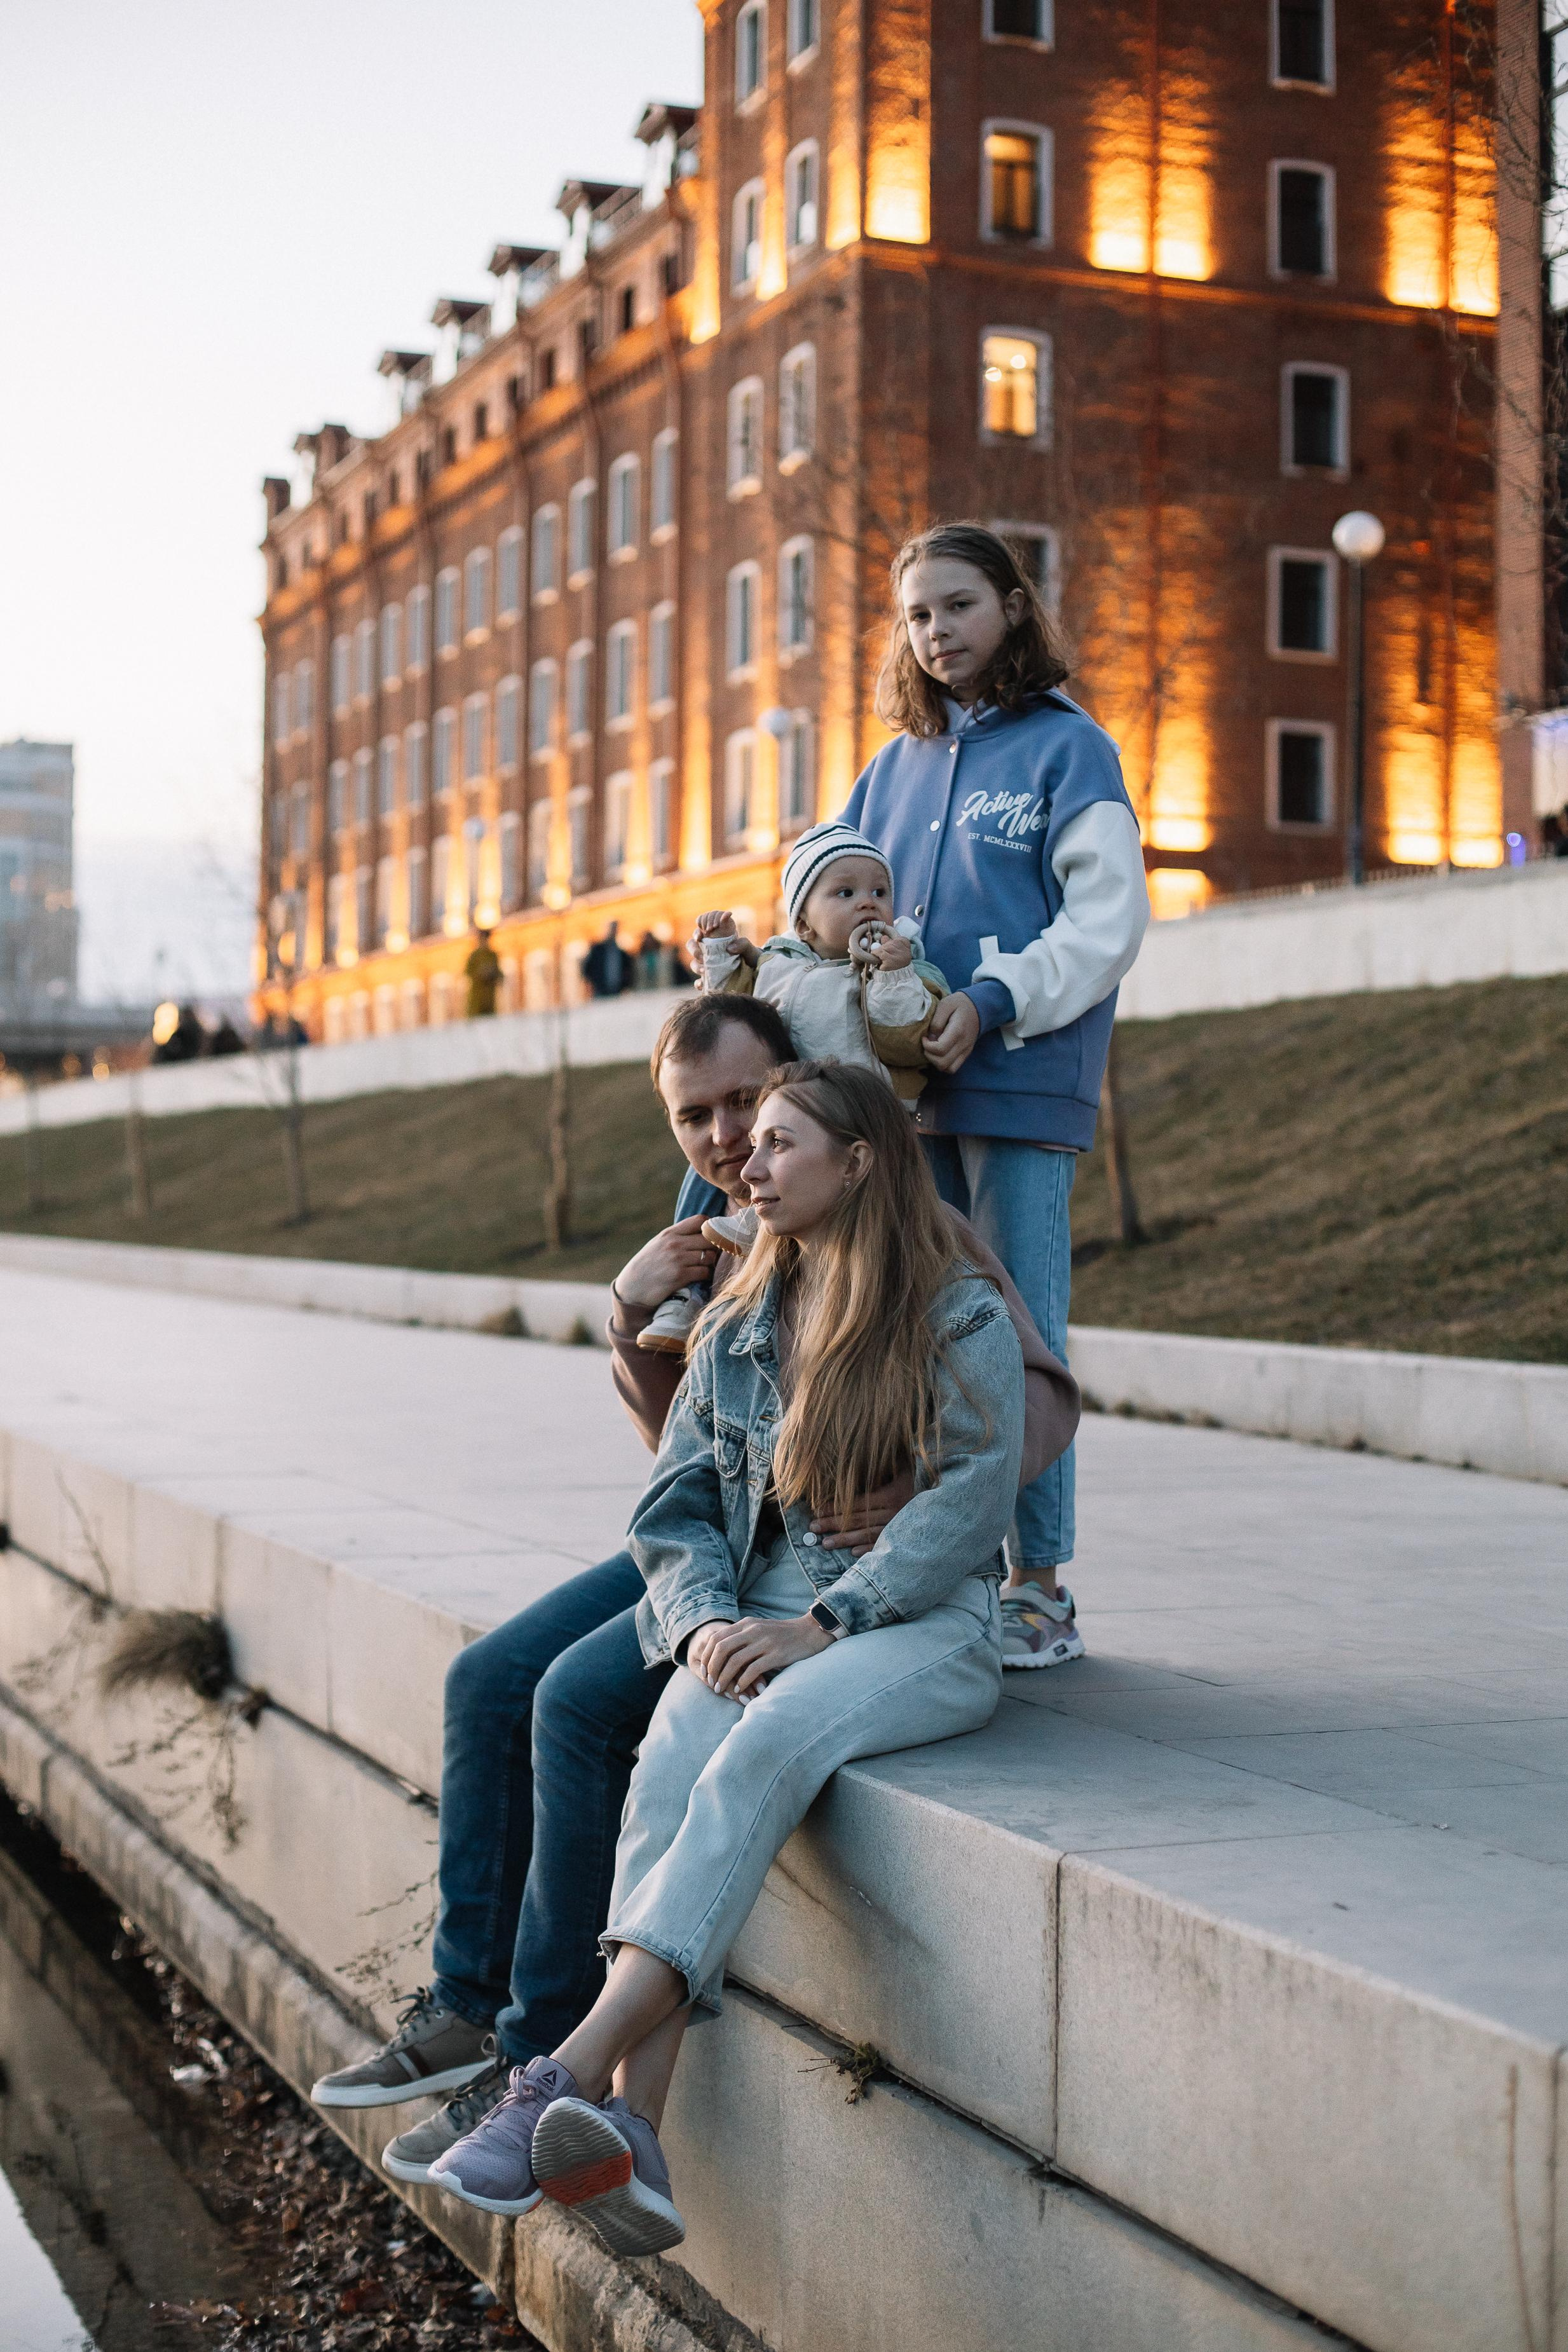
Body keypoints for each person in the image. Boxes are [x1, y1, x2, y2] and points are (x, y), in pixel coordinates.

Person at [307, 995, 1076, 2188]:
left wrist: (893, 1508)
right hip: (743, 1555)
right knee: (527, 1693)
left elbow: (1012, 1435)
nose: (732, 1146)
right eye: (704, 1120)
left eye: (756, 1118)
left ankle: (542, 2068)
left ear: (812, 1103)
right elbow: (682, 1474)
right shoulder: (726, 1276)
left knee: (595, 1707)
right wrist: (628, 1323)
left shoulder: (931, 1266)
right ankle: (567, 2083)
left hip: (868, 1590)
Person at [842, 519, 1150, 1670]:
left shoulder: (1072, 752)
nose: (936, 633)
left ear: (1013, 606)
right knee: (908, 1320)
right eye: (917, 616)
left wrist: (994, 997)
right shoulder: (889, 768)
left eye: (959, 606)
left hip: (1020, 1080)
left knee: (1018, 1326)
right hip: (901, 1097)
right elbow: (841, 909)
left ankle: (1040, 1585)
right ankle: (939, 1567)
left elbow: (1107, 923)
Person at [636, 820, 948, 1357]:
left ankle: (753, 1231)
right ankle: (682, 1296)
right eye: (844, 892)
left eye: (880, 891)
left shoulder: (901, 966)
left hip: (860, 1112)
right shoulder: (776, 964)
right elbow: (727, 1009)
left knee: (787, 1164)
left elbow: (907, 1044)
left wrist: (893, 978)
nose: (868, 904)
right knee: (703, 1175)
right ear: (803, 918)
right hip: (795, 1110)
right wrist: (718, 953)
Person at [582, 919, 631, 998]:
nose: (613, 932)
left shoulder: (621, 953)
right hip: (600, 992)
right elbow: (587, 969)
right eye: (612, 929)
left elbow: (627, 972)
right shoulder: (597, 950)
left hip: (617, 992)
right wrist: (594, 983)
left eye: (615, 929)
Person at [464, 928, 503, 1018]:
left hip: (489, 997)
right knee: (476, 1021)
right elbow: (468, 972)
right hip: (477, 998)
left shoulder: (492, 955)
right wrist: (481, 973)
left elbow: (499, 973)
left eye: (486, 939)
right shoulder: (474, 956)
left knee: (489, 1021)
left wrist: (494, 974)